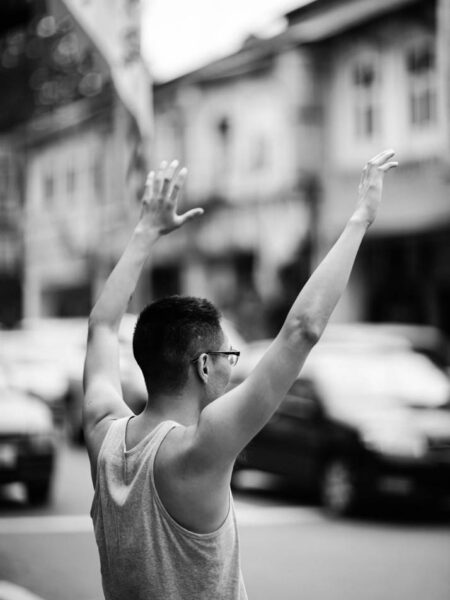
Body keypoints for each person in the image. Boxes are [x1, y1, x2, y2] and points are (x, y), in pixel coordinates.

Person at [83, 151, 398, 600]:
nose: (234, 365)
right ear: (204, 365)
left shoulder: (102, 435)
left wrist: (145, 232)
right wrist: (361, 218)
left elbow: (100, 326)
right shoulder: (198, 449)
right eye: (228, 353)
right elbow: (301, 331)